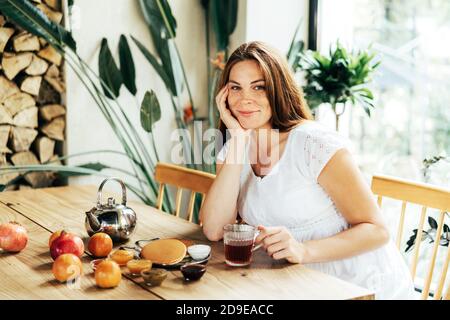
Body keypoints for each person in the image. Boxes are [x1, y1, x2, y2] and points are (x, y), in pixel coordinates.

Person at [200, 41, 416, 299]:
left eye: (259, 87)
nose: (245, 98)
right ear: (224, 96)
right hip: (291, 281)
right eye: (236, 87)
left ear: (277, 90)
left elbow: (377, 230)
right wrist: (237, 140)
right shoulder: (236, 147)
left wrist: (303, 250)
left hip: (355, 285)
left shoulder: (313, 144)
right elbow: (214, 229)